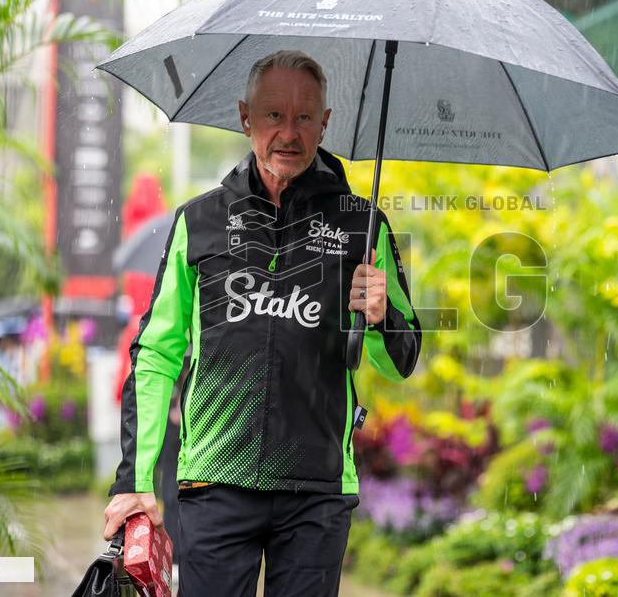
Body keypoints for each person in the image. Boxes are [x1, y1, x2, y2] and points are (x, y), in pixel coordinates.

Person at [102, 50, 421, 596]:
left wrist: (381, 313)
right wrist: (135, 481)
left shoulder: (362, 226)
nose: (288, 133)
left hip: (317, 489)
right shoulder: (199, 222)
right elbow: (156, 354)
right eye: (274, 115)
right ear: (246, 116)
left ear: (326, 123)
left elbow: (401, 361)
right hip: (214, 481)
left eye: (304, 117)